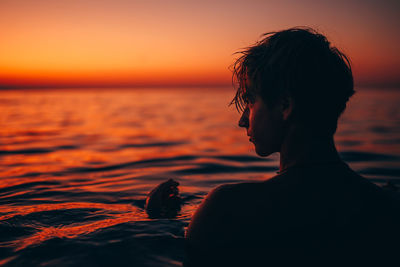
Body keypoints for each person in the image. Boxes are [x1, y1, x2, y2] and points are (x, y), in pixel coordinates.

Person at [182, 27, 400, 266]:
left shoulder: (226, 209)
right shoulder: (383, 207)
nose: (242, 120)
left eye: (251, 101)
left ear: (285, 105)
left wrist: (158, 216)